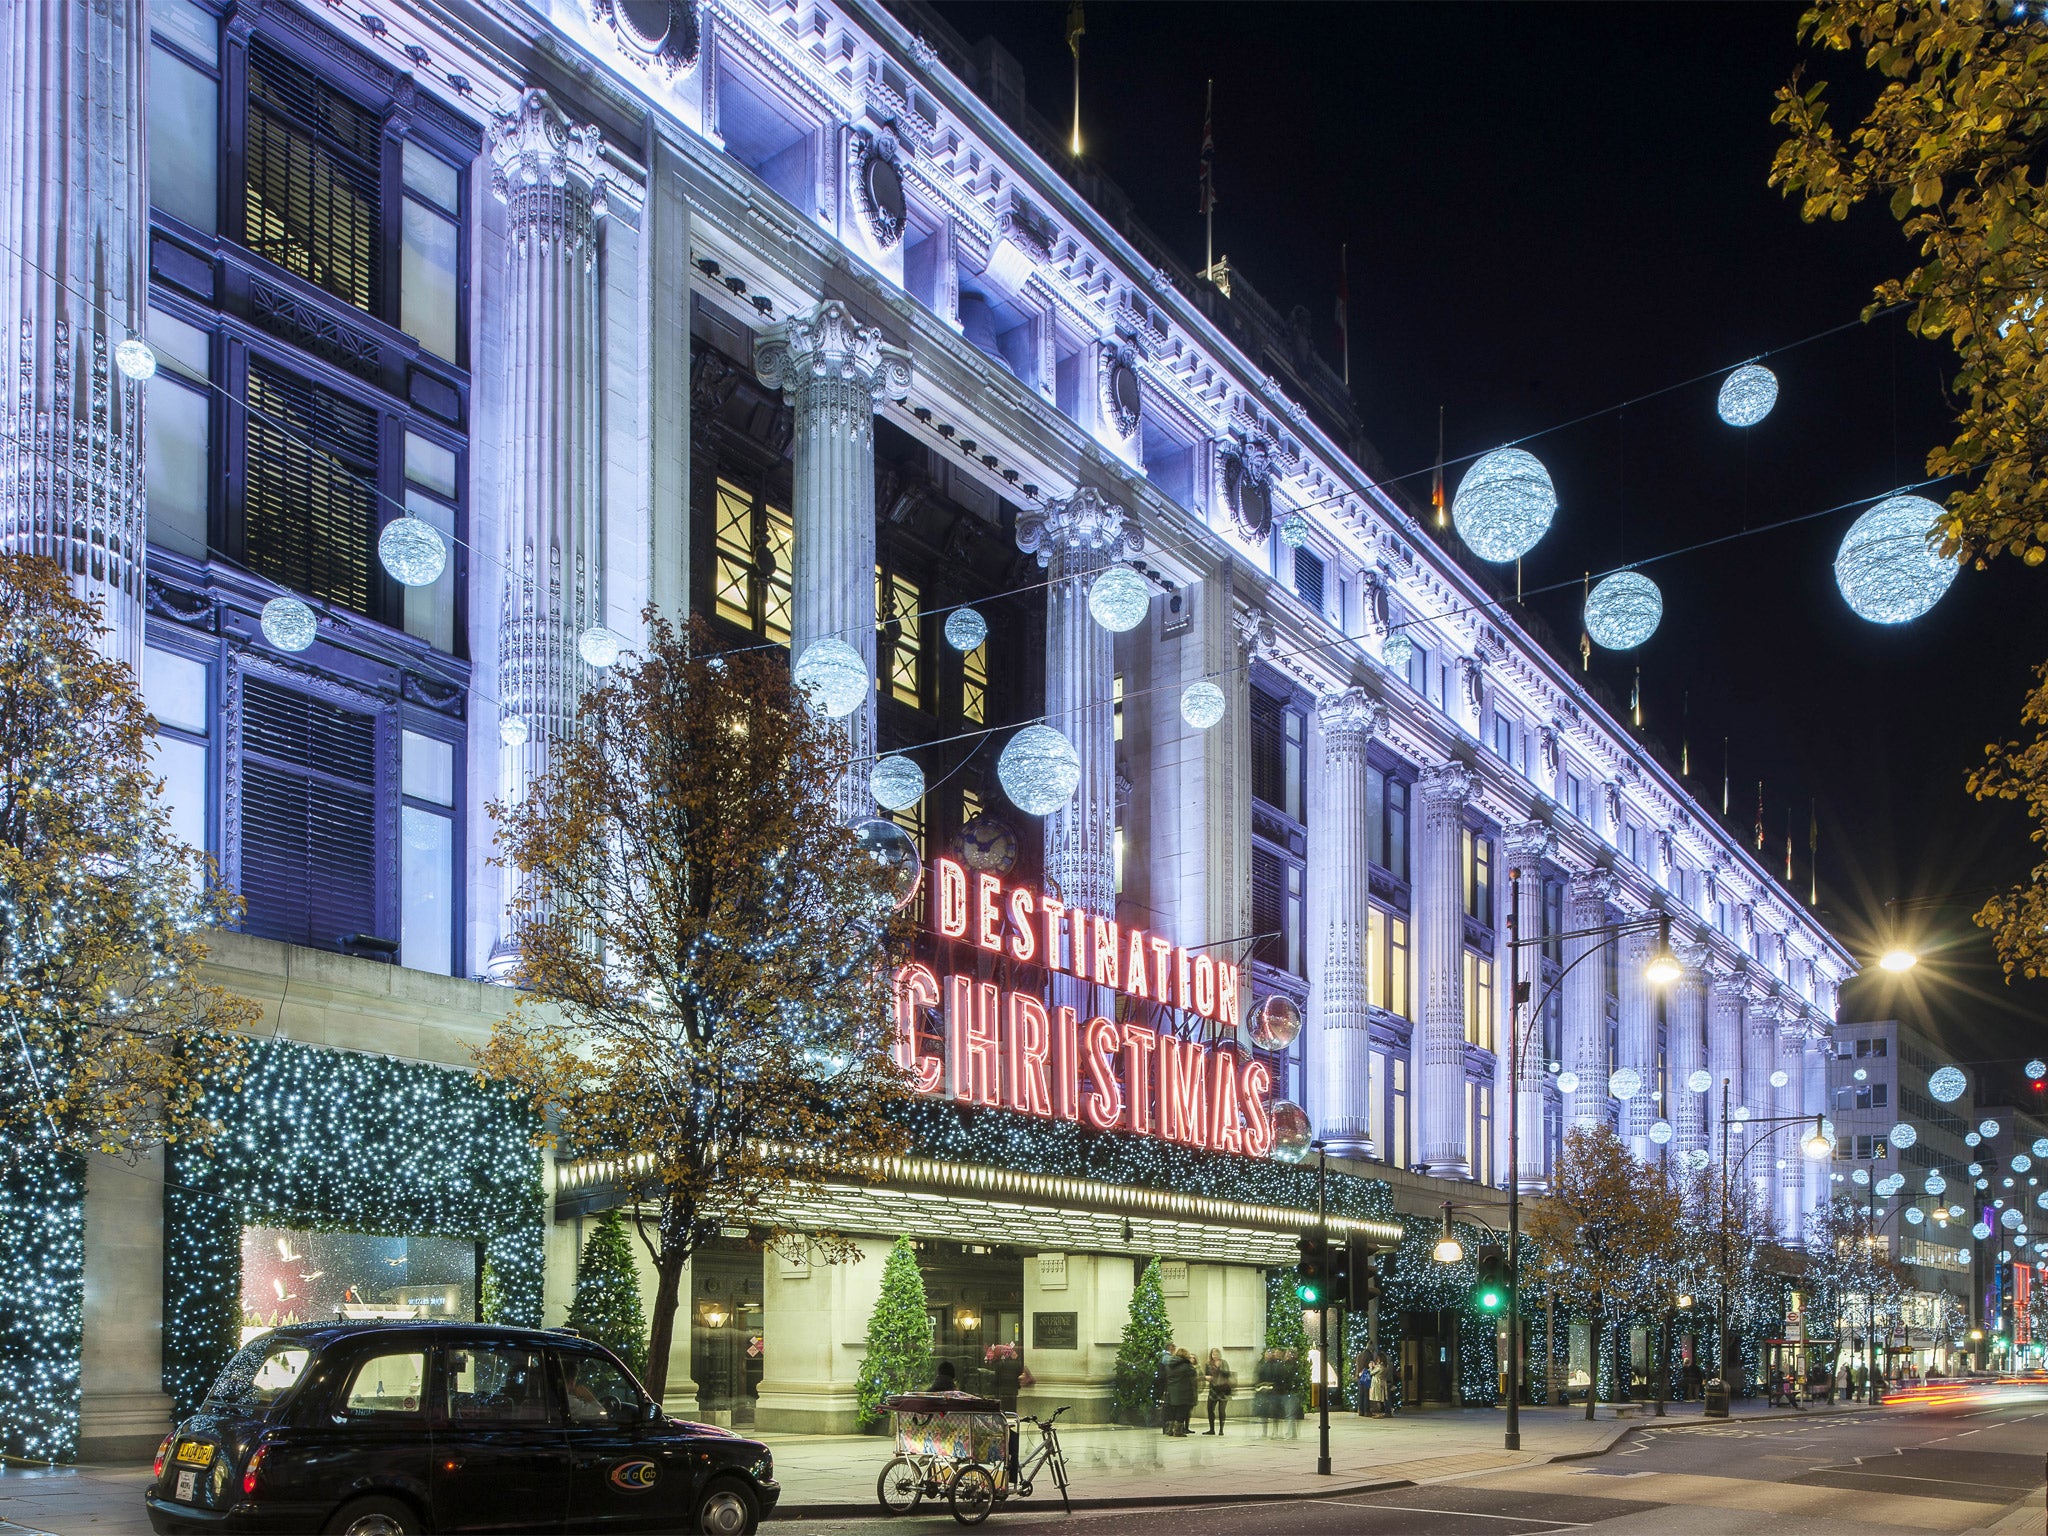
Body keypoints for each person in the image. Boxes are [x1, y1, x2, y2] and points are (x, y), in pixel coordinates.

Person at [1162, 1347, 1198, 1436]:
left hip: (1170, 1392)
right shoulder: (1187, 1366)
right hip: (1183, 1392)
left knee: (1172, 1412)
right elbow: (1193, 1375)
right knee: (1181, 1411)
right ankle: (1178, 1431)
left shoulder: (1169, 1365)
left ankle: (1170, 1430)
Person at [1202, 1348, 1235, 1434]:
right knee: (1210, 1409)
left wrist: (1218, 1370)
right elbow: (1206, 1375)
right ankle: (1211, 1429)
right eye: (1213, 1354)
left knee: (1221, 1410)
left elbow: (1227, 1374)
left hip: (1223, 1389)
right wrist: (1207, 1377)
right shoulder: (1208, 1364)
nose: (1215, 1356)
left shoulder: (1224, 1363)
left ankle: (1221, 1429)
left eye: (1216, 1354)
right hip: (1213, 1389)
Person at [1252, 1350, 1283, 1436]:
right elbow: (1257, 1376)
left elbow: (1278, 1377)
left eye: (1270, 1353)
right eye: (1267, 1353)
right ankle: (1264, 1431)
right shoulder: (1261, 1364)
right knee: (1263, 1412)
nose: (1269, 1355)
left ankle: (1275, 1431)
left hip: (1273, 1391)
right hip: (1262, 1391)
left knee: (1274, 1412)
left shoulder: (1276, 1365)